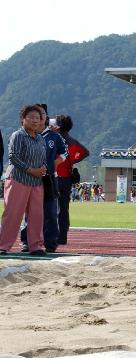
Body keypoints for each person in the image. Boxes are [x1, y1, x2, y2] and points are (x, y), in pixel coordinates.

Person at [0, 105, 48, 255]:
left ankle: (36, 246)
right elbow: (13, 157)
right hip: (18, 179)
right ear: (23, 119)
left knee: (36, 216)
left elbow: (43, 157)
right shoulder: (18, 135)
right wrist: (32, 170)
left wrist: (42, 169)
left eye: (38, 118)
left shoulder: (40, 138)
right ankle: (3, 245)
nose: (35, 120)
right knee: (13, 214)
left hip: (36, 182)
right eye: (31, 117)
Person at [20, 108, 67, 252]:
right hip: (30, 177)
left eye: (40, 116)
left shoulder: (54, 136)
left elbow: (64, 153)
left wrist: (54, 164)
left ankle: (50, 242)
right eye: (34, 117)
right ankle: (27, 241)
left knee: (50, 211)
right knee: (29, 212)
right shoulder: (25, 135)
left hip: (49, 179)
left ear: (45, 118)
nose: (37, 119)